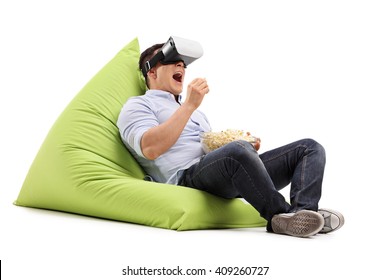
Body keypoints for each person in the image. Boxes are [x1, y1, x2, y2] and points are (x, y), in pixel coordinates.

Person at [117, 41, 344, 238]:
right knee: (237, 151)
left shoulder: (196, 113)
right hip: (185, 178)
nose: (181, 66)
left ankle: (305, 213)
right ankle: (280, 215)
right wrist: (189, 105)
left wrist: (242, 148)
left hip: (220, 173)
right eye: (172, 60)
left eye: (183, 64)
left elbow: (210, 151)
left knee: (309, 148)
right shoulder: (138, 105)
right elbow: (150, 148)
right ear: (151, 72)